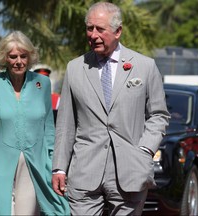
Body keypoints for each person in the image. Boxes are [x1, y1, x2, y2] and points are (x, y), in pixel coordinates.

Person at [52, 2, 170, 216]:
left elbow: (158, 115)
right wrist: (60, 167)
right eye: (90, 28)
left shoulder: (145, 66)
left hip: (130, 170)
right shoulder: (75, 68)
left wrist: (145, 150)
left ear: (118, 31)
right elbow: (65, 123)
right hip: (84, 171)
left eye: (100, 29)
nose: (93, 35)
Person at [0, 31, 70, 215]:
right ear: (5, 58)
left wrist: (54, 162)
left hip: (33, 166)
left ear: (30, 57)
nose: (18, 61)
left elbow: (49, 128)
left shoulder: (42, 84)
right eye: (13, 56)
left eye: (23, 56)